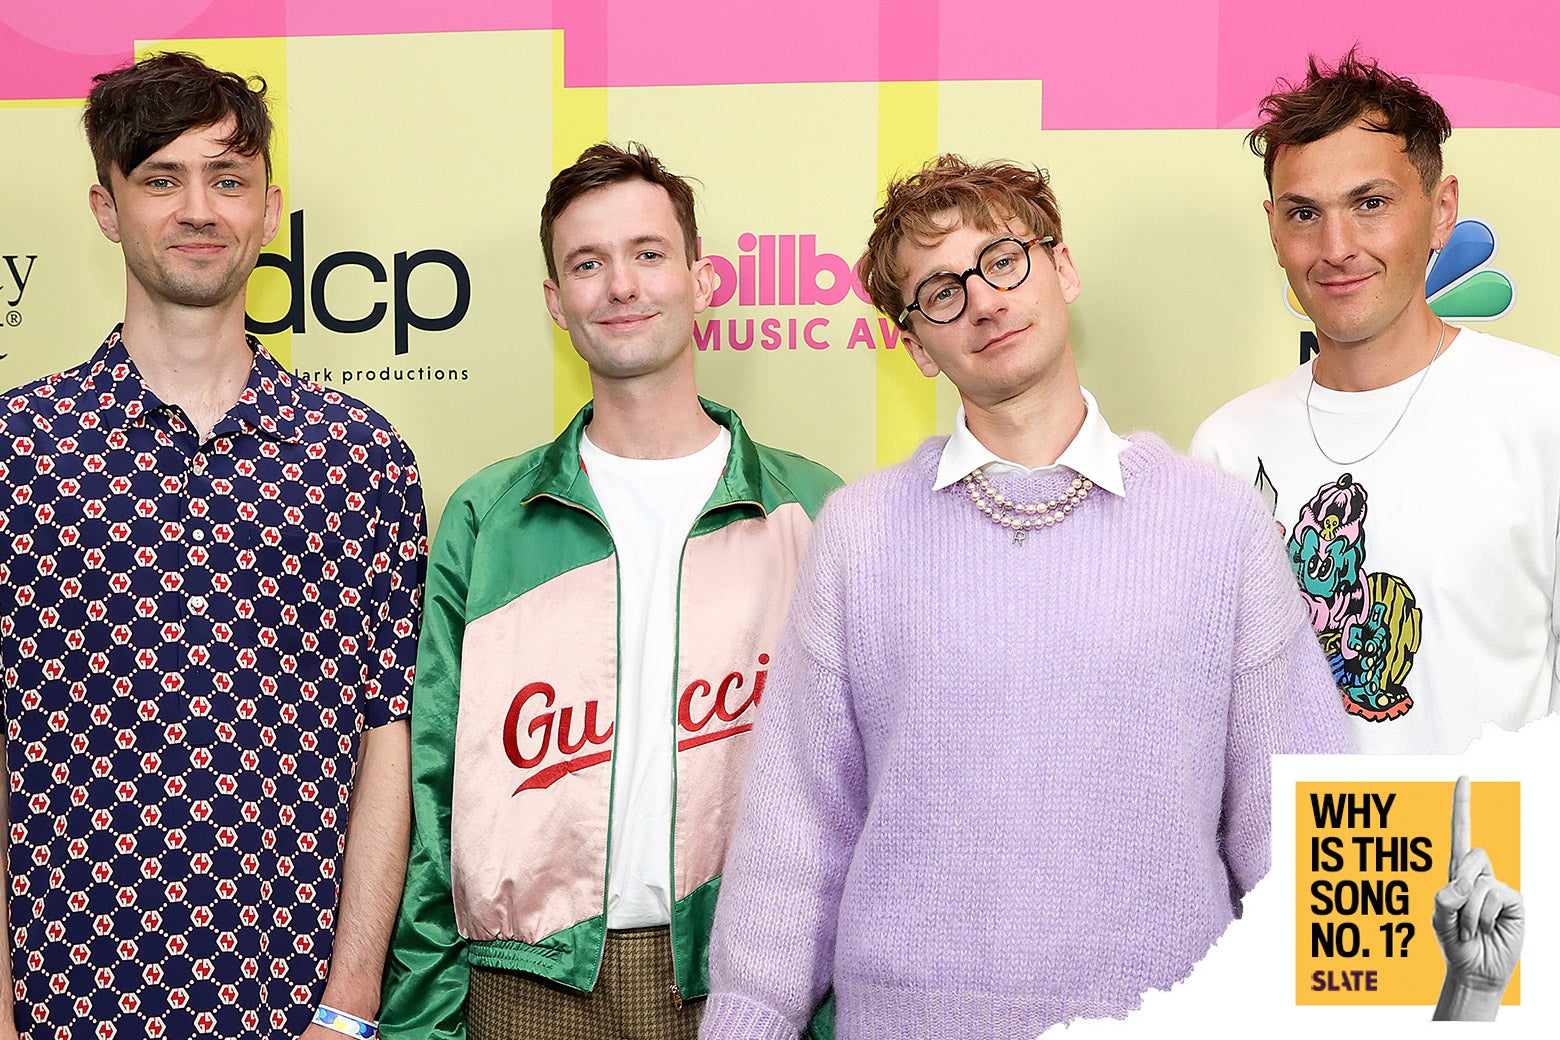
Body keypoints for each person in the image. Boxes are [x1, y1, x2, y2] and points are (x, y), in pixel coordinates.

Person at [698, 155, 1352, 1040]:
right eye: (939, 290)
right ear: (914, 343)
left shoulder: (1219, 525)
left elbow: (1302, 832)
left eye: (1002, 260)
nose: (982, 300)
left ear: (1062, 268)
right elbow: (795, 839)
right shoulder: (859, 536)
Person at [0, 53, 424, 1039]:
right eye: (162, 178)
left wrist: (349, 1008)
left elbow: (386, 739)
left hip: (293, 1018)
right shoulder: (16, 453)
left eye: (227, 179)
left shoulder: (360, 459)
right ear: (107, 209)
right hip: (64, 1013)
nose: (200, 207)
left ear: (270, 210)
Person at [382, 143, 840, 1040]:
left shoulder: (812, 506)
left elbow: (855, 784)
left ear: (701, 279)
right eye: (587, 264)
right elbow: (427, 784)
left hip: (749, 976)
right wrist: (423, 1019)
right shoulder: (488, 515)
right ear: (557, 302)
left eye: (647, 253)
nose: (620, 286)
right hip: (524, 983)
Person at [1191, 51, 1560, 754]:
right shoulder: (1226, 448)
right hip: (1294, 863)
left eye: (1371, 204)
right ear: (1274, 227)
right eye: (1304, 213)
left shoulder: (1544, 411)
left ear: (1442, 210)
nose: (1336, 248)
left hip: (1491, 861)